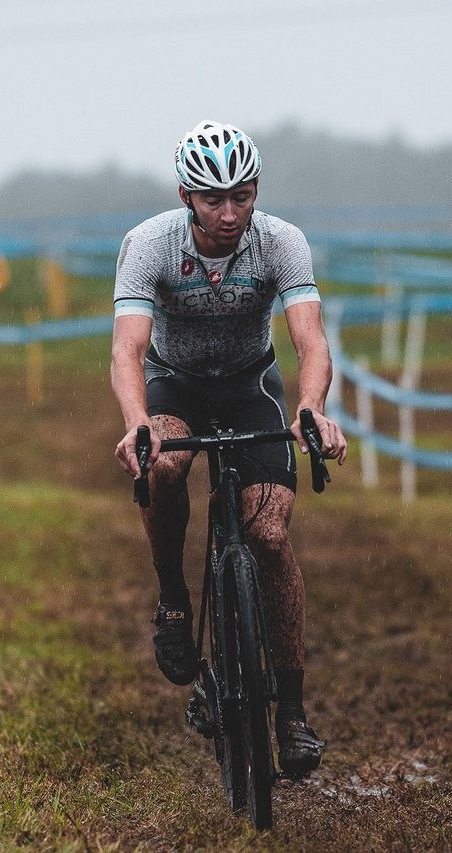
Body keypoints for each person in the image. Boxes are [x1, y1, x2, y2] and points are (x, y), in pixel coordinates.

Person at [110, 119, 347, 777]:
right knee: (169, 464)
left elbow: (310, 340)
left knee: (268, 534)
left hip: (250, 386)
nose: (228, 212)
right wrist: (139, 423)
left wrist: (312, 407)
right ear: (187, 195)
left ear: (255, 190)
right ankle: (174, 602)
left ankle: (292, 713)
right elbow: (127, 347)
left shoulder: (280, 243)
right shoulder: (150, 245)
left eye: (240, 196)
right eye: (213, 199)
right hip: (175, 385)